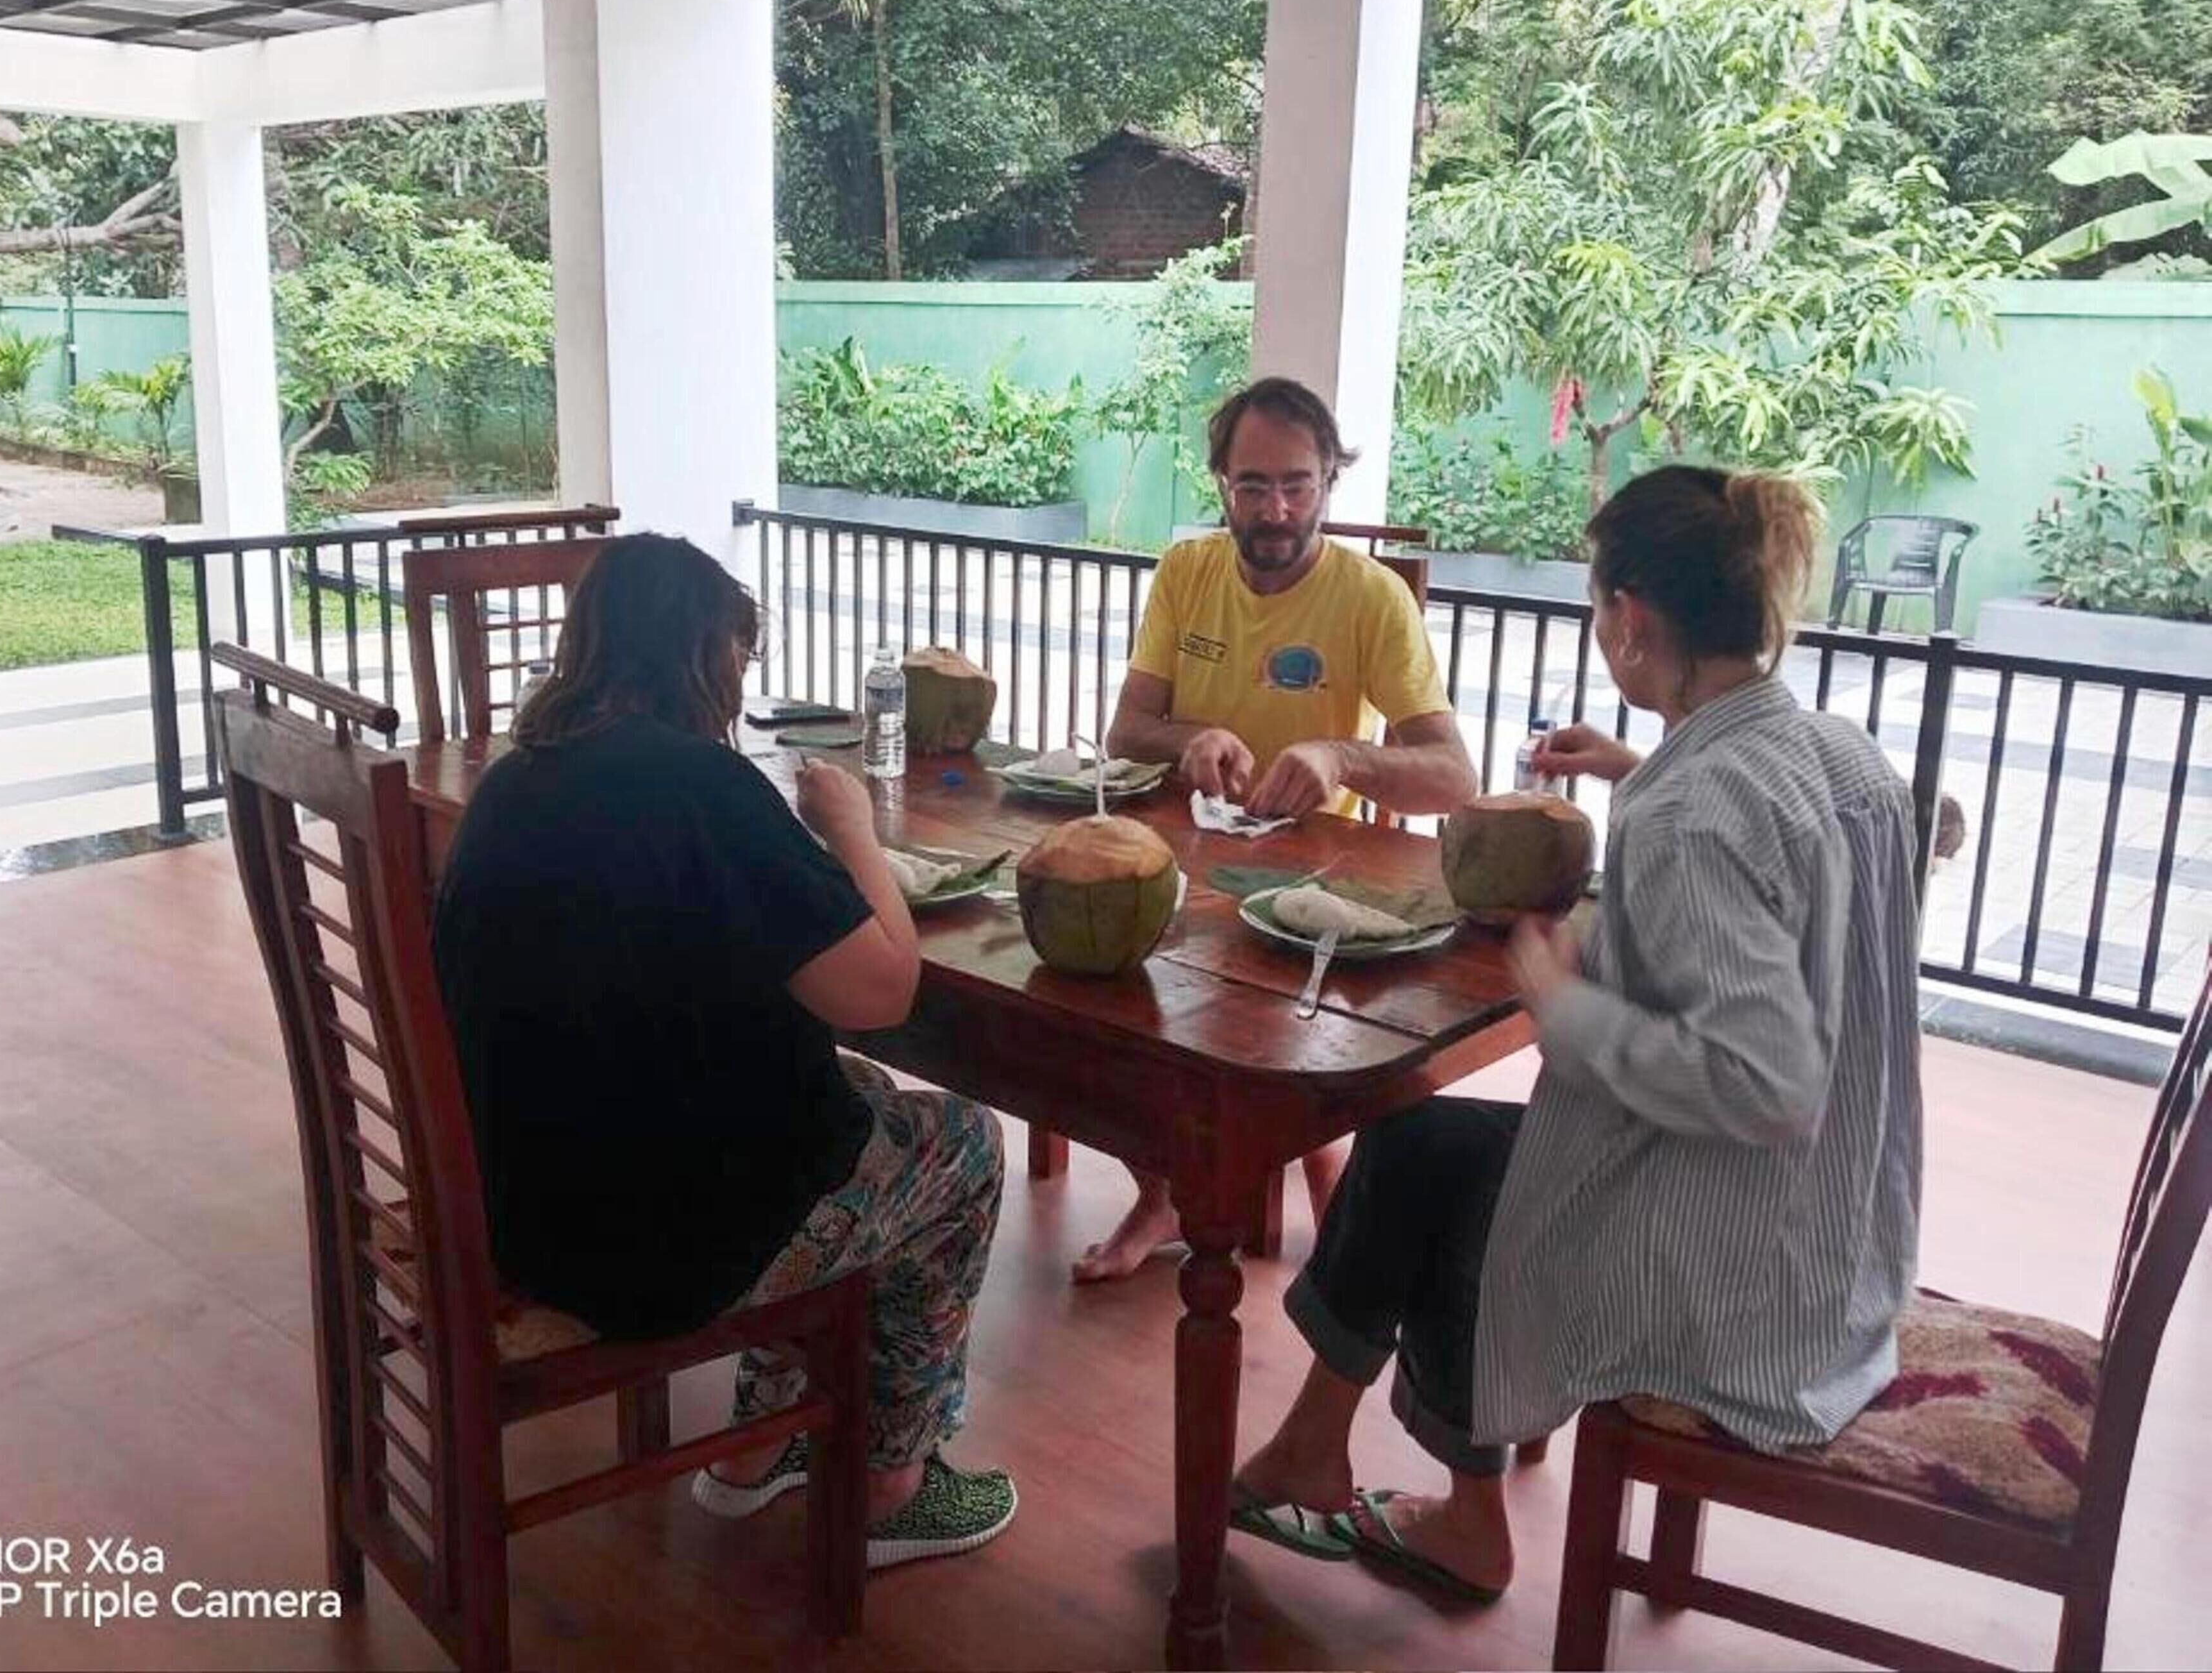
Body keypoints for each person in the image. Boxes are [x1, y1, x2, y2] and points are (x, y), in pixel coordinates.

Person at [1227, 464, 1923, 1601]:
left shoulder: (1694, 811)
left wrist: (1565, 1007)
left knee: (1496, 1195)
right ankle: (1321, 1446)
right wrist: (1632, 768)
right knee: (1422, 1142)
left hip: (1747, 1287)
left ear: (1632, 619)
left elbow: (1768, 1083)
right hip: (1843, 1237)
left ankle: (1464, 1523)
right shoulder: (1836, 754)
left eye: (1600, 604)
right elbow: (1786, 873)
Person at [432, 532, 1016, 1567]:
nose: (743, 681)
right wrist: (853, 834)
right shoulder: (702, 790)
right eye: (739, 656)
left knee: (855, 1097)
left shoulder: (517, 783)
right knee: (959, 1142)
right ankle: (892, 1483)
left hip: (526, 1212)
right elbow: (884, 989)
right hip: (657, 1255)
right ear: (704, 655)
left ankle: (762, 1450)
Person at [1079, 376, 1479, 1281]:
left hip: (1309, 889)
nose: (1277, 509)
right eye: (1252, 485)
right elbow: (1126, 734)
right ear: (1219, 481)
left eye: (1299, 484)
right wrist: (1192, 740)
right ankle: (1165, 1192)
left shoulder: (1373, 599)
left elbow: (1454, 779)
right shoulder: (1186, 572)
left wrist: (1344, 759)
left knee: (1294, 1058)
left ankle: (1318, 1225)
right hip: (1179, 868)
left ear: (1330, 482)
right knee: (1085, 1013)